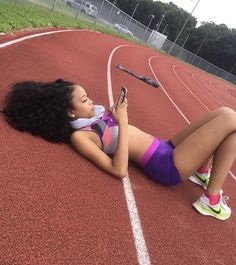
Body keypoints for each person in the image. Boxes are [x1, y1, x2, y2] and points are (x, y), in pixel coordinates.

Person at [2, 79, 236, 221]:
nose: (91, 102)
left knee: (224, 113)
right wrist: (122, 121)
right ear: (70, 112)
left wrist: (115, 115)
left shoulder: (91, 117)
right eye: (84, 101)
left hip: (165, 146)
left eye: (88, 97)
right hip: (167, 165)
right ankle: (210, 200)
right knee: (230, 118)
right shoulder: (81, 137)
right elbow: (119, 169)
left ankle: (202, 171)